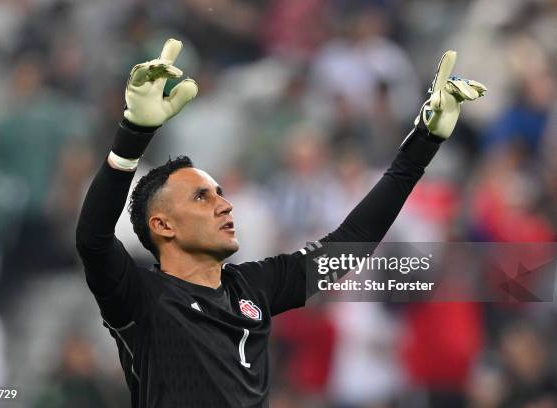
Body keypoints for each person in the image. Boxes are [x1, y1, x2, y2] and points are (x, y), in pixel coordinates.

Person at [75, 39, 486, 407]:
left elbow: (349, 244)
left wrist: (422, 146)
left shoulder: (253, 287)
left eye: (220, 193)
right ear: (163, 226)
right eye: (202, 196)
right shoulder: (141, 295)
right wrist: (134, 133)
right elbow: (92, 240)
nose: (224, 205)